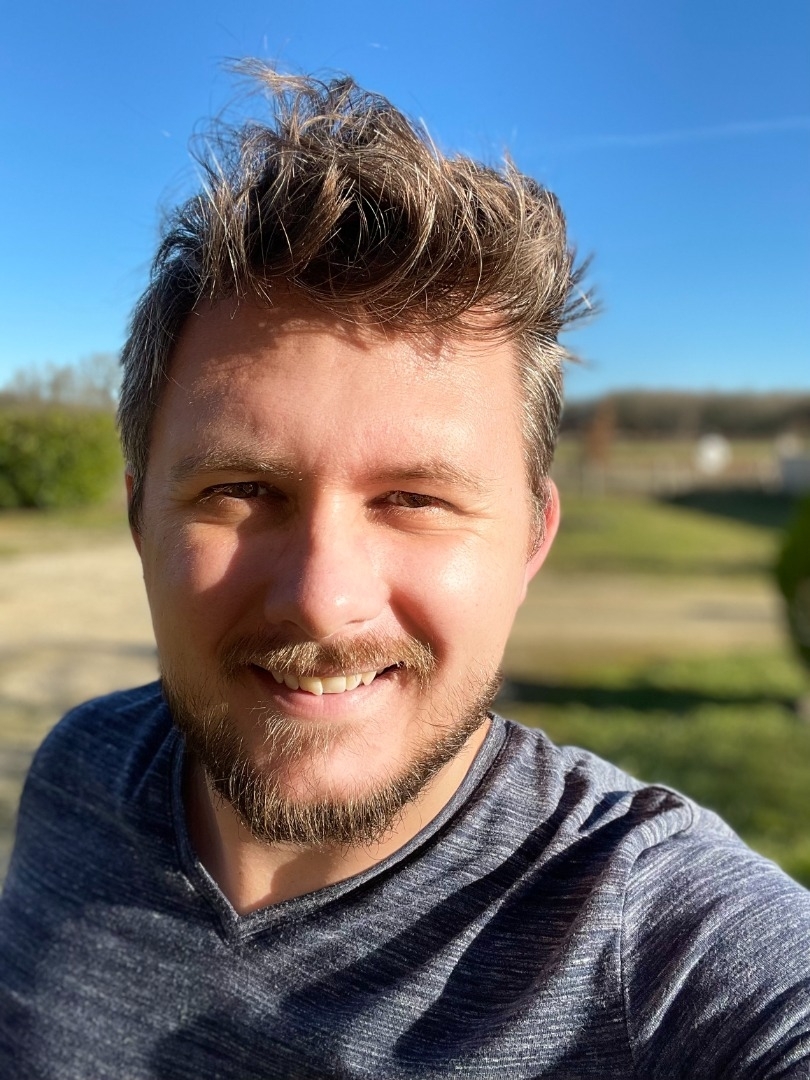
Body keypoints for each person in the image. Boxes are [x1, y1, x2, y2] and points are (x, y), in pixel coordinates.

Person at [0, 67, 807, 1080]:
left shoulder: (660, 951)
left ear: (531, 541)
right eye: (240, 490)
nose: (322, 599)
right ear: (137, 517)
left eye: (415, 499)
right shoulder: (79, 775)